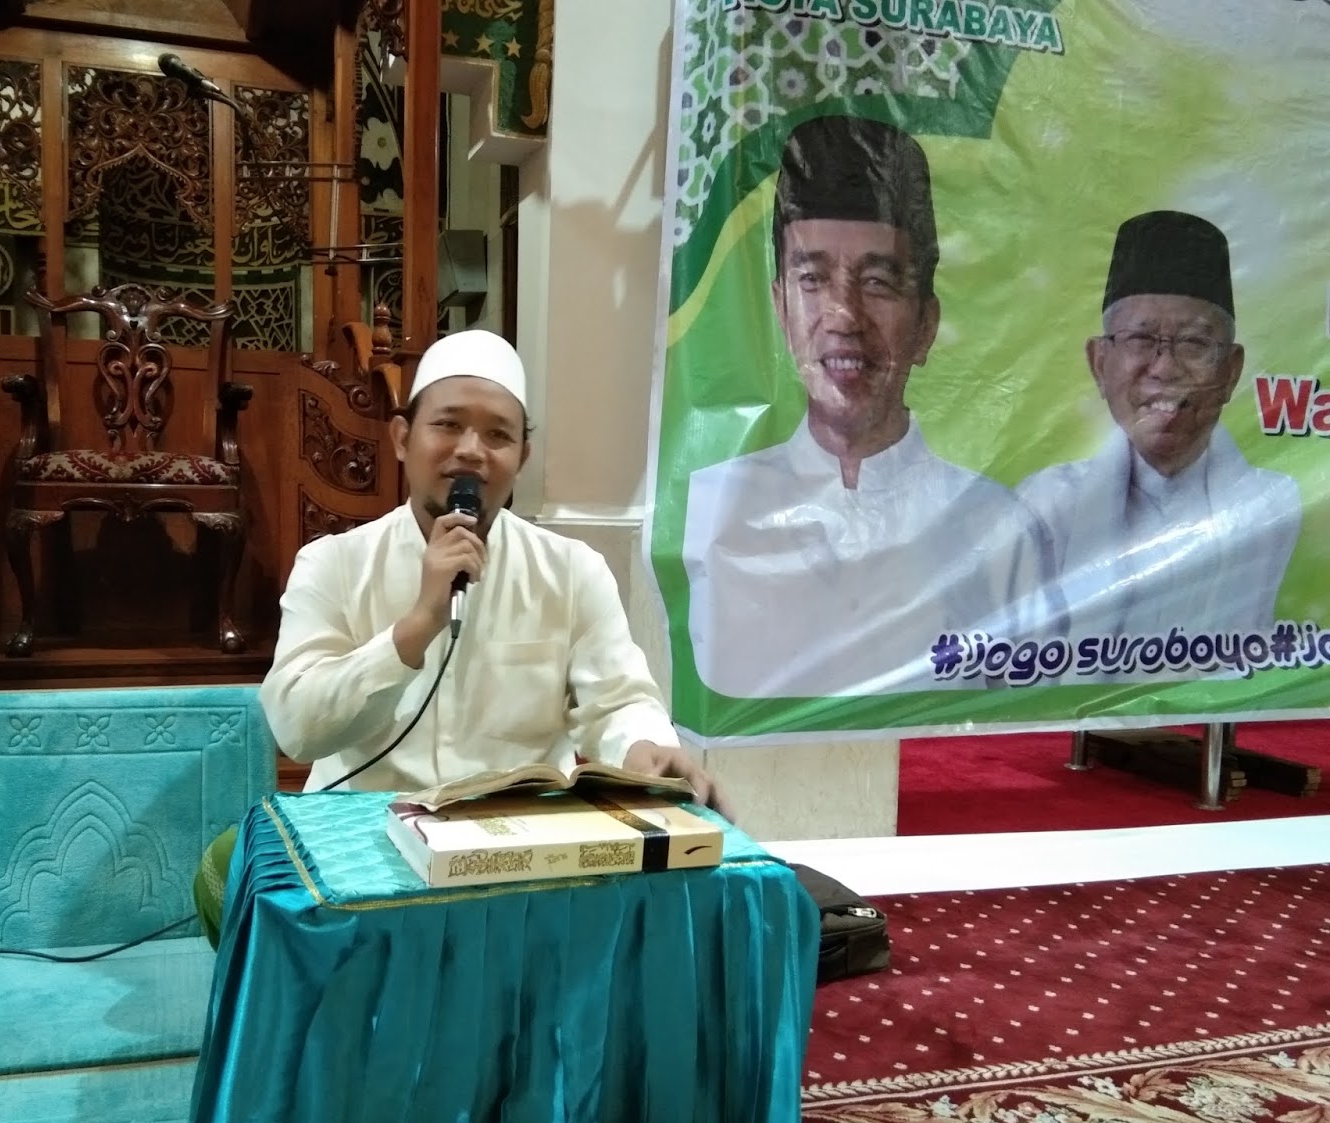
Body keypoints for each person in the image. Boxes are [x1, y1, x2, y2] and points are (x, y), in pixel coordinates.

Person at [195, 329, 720, 943]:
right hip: (368, 844)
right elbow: (298, 727)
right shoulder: (333, 564)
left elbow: (619, 700)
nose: (471, 451)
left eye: (498, 435)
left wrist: (645, 748)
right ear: (402, 438)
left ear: (522, 457)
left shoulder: (573, 571)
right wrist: (415, 627)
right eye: (448, 425)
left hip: (520, 850)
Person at [680, 114, 1060, 698]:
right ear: (781, 309)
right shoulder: (713, 506)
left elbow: (1026, 717)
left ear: (926, 324)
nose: (844, 316)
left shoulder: (1001, 528)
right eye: (813, 279)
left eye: (878, 282)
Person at [1018, 210, 1300, 645]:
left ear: (1231, 370)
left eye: (1194, 343)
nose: (1165, 367)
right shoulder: (1046, 506)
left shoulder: (1272, 505)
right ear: (1099, 363)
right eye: (1141, 340)